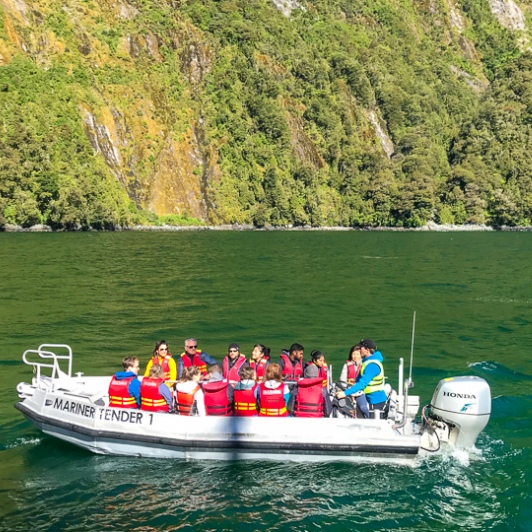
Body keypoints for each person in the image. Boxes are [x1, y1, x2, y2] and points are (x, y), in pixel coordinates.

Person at [336, 338, 387, 417]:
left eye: (361, 348)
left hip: (376, 401)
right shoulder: (366, 362)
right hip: (370, 399)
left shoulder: (372, 366)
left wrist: (345, 393)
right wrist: (352, 392)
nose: (359, 350)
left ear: (367, 350)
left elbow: (362, 383)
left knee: (374, 425)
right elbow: (358, 381)